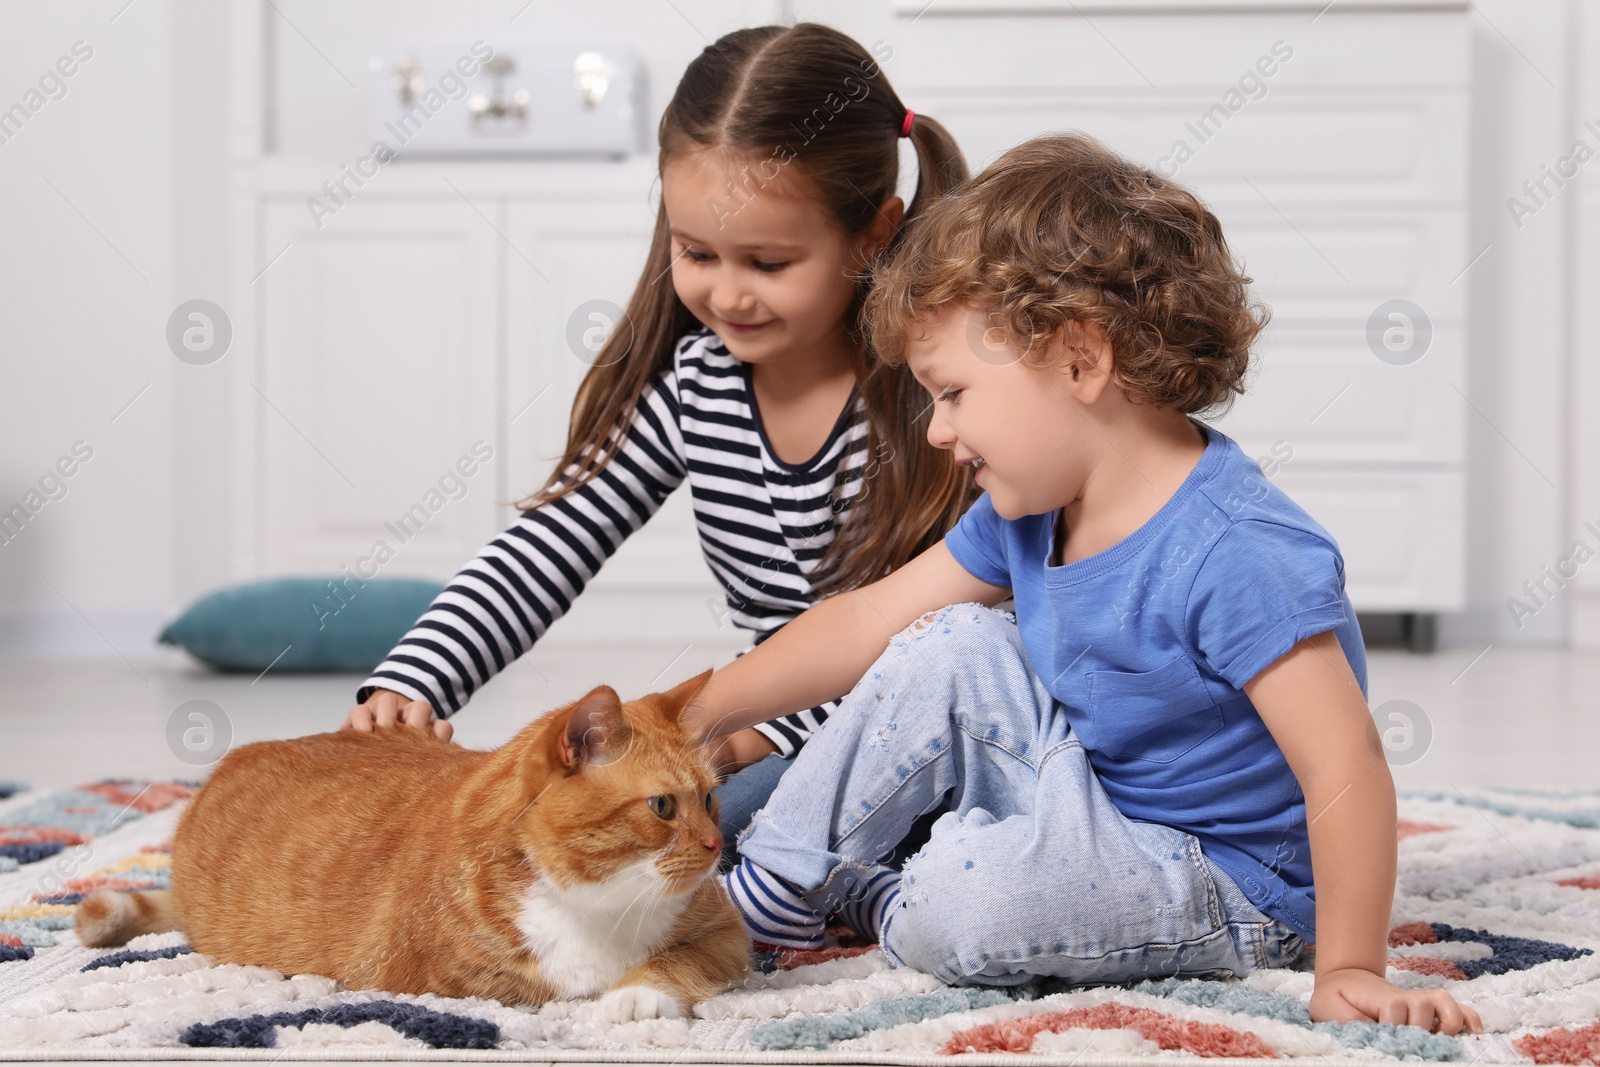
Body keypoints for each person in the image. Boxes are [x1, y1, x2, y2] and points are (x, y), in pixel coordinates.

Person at [682, 132, 1483, 1034]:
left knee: (963, 902)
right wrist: (696, 714)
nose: (939, 432)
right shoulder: (1028, 509)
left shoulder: (1238, 550)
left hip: (1230, 878)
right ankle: (770, 892)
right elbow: (868, 620)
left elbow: (1345, 767)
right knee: (950, 639)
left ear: (1078, 361)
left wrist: (1348, 965)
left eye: (951, 393)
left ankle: (889, 895)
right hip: (1096, 799)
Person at [340, 23, 974, 842]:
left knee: (673, 854)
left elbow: (948, 640)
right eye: (697, 252)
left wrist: (754, 736)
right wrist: (414, 678)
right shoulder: (697, 383)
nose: (728, 294)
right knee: (556, 827)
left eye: (769, 263)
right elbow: (548, 545)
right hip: (762, 725)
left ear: (874, 231)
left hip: (911, 731)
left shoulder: (936, 395)